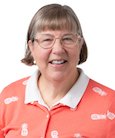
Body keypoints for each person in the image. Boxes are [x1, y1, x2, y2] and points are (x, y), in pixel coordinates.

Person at [0, 3, 115, 138]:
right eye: (47, 39)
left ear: (80, 44)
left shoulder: (110, 105)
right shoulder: (8, 98)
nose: (58, 49)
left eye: (67, 39)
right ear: (31, 47)